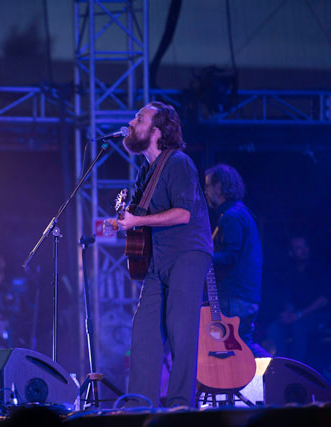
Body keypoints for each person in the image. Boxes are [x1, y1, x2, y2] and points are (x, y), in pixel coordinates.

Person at [106, 101, 213, 408]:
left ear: (156, 131)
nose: (131, 123)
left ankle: (181, 406)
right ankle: (138, 407)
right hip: (158, 258)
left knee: (181, 330)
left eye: (138, 118)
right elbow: (142, 218)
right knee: (144, 333)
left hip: (187, 253)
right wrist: (125, 222)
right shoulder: (146, 171)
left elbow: (183, 214)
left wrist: (137, 221)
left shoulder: (179, 162)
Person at [203, 164, 270, 357]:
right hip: (242, 295)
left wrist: (203, 254)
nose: (206, 191)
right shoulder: (238, 213)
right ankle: (274, 370)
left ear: (219, 187)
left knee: (236, 345)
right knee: (237, 345)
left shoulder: (232, 216)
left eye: (208, 185)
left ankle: (276, 370)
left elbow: (231, 256)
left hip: (235, 296)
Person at [267, 235, 329, 369]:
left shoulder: (319, 269)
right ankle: (280, 368)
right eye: (298, 248)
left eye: (305, 246)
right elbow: (287, 297)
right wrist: (288, 313)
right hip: (297, 315)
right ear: (291, 252)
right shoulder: (290, 271)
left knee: (298, 327)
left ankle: (297, 370)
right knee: (275, 328)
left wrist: (298, 315)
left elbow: (324, 299)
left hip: (320, 315)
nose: (304, 250)